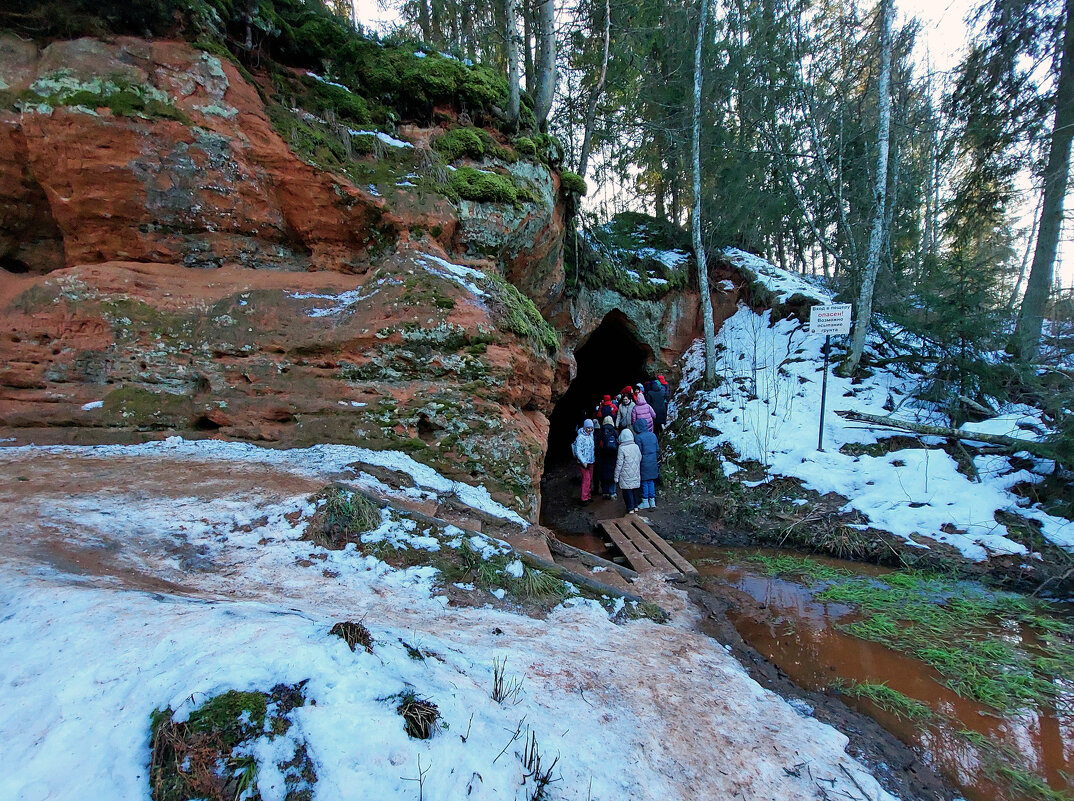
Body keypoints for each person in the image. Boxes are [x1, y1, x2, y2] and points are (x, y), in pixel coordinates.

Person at [614, 428, 642, 514]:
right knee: (635, 489)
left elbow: (619, 463)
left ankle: (630, 508)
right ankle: (636, 505)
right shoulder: (636, 446)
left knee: (627, 491)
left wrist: (616, 476)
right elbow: (640, 457)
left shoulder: (622, 448)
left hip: (625, 474)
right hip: (636, 472)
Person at [633, 418, 659, 509]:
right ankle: (652, 501)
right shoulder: (653, 435)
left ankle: (645, 501)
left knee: (644, 482)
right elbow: (657, 449)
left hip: (643, 462)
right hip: (653, 461)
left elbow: (638, 451)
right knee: (651, 481)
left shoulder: (638, 437)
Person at [572, 419, 596, 504]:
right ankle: (584, 498)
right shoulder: (580, 437)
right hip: (583, 463)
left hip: (591, 461)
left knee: (590, 479)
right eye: (588, 428)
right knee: (586, 479)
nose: (589, 430)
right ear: (584, 427)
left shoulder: (591, 436)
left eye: (591, 428)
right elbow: (578, 451)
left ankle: (588, 495)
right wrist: (583, 462)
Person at [596, 416, 619, 499]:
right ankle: (612, 492)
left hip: (603, 457)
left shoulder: (600, 432)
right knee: (612, 474)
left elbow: (597, 445)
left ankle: (605, 492)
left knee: (604, 475)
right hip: (613, 457)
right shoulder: (615, 432)